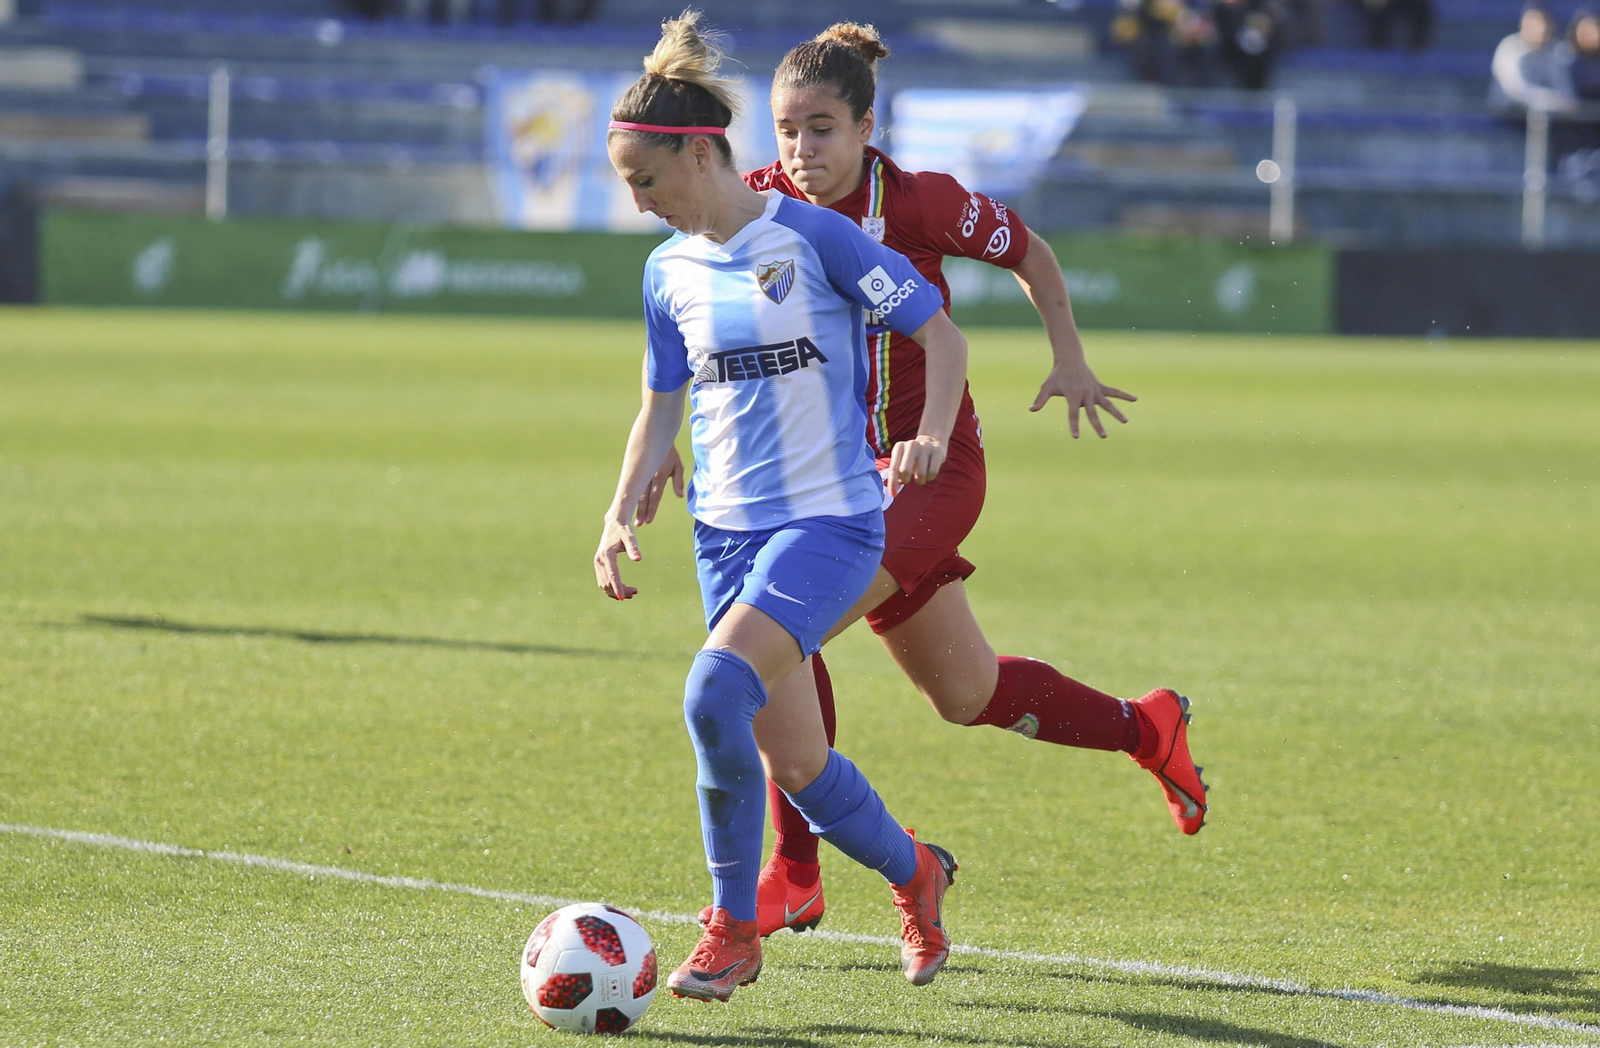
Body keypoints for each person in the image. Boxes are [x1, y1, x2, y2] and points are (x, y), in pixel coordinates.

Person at [641, 23, 1209, 940]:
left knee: (773, 636)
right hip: (831, 482)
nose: (801, 151)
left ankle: (794, 872)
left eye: (822, 129)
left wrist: (1068, 357)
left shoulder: (921, 203)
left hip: (931, 473)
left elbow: (1028, 251)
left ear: (869, 127)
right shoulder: (760, 205)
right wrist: (672, 432)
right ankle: (1149, 730)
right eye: (787, 131)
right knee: (967, 694)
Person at [595, 12, 972, 1001]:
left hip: (832, 525)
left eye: (646, 182)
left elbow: (943, 338)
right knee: (801, 764)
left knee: (712, 692)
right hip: (723, 537)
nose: (639, 206)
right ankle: (917, 873)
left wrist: (927, 433)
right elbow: (659, 401)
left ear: (700, 153)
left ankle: (731, 929)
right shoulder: (664, 271)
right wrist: (619, 503)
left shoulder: (816, 237)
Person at [1490, 5, 1576, 117]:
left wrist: (1560, 102)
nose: (1540, 29)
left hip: (1546, 118)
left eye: (1543, 23)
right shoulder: (1509, 47)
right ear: (1522, 24)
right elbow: (1516, 91)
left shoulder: (1554, 51)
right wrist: (1554, 101)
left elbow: (1566, 93)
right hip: (1508, 116)